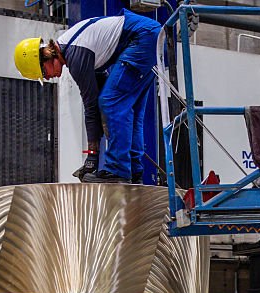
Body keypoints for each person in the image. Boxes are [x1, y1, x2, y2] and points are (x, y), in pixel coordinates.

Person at [14, 9, 162, 184]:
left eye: (44, 73)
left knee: (111, 102)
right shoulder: (74, 48)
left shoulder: (75, 55)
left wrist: (92, 157)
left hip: (142, 38)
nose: (48, 78)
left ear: (45, 57)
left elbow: (92, 106)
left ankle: (118, 170)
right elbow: (99, 100)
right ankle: (134, 169)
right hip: (151, 36)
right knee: (129, 109)